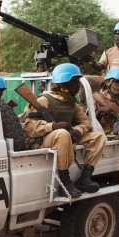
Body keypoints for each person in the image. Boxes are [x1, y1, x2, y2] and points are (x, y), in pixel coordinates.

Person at [23, 63, 106, 197]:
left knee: (98, 136)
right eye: (74, 83)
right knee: (62, 133)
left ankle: (85, 178)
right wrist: (52, 126)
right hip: (42, 140)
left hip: (64, 139)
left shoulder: (71, 102)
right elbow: (29, 126)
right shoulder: (45, 100)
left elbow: (85, 122)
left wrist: (78, 131)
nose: (78, 87)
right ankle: (65, 182)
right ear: (64, 84)